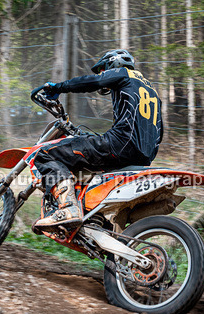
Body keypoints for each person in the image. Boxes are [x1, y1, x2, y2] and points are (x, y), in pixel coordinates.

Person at [31, 48, 164, 231]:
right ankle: (97, 223)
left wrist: (59, 87)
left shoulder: (125, 74)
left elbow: (92, 81)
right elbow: (160, 131)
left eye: (104, 69)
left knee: (45, 155)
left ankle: (68, 209)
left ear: (115, 64)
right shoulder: (151, 90)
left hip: (119, 146)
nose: (103, 74)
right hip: (143, 158)